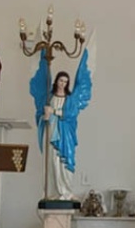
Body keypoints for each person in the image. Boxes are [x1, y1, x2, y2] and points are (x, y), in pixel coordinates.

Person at [30, 41, 93, 201]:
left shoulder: (70, 100)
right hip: (50, 133)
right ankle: (51, 191)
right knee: (51, 162)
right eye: (60, 80)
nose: (63, 83)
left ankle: (66, 191)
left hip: (65, 135)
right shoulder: (49, 97)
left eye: (66, 81)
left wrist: (55, 112)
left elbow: (70, 114)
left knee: (64, 162)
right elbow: (42, 116)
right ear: (56, 81)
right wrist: (44, 116)